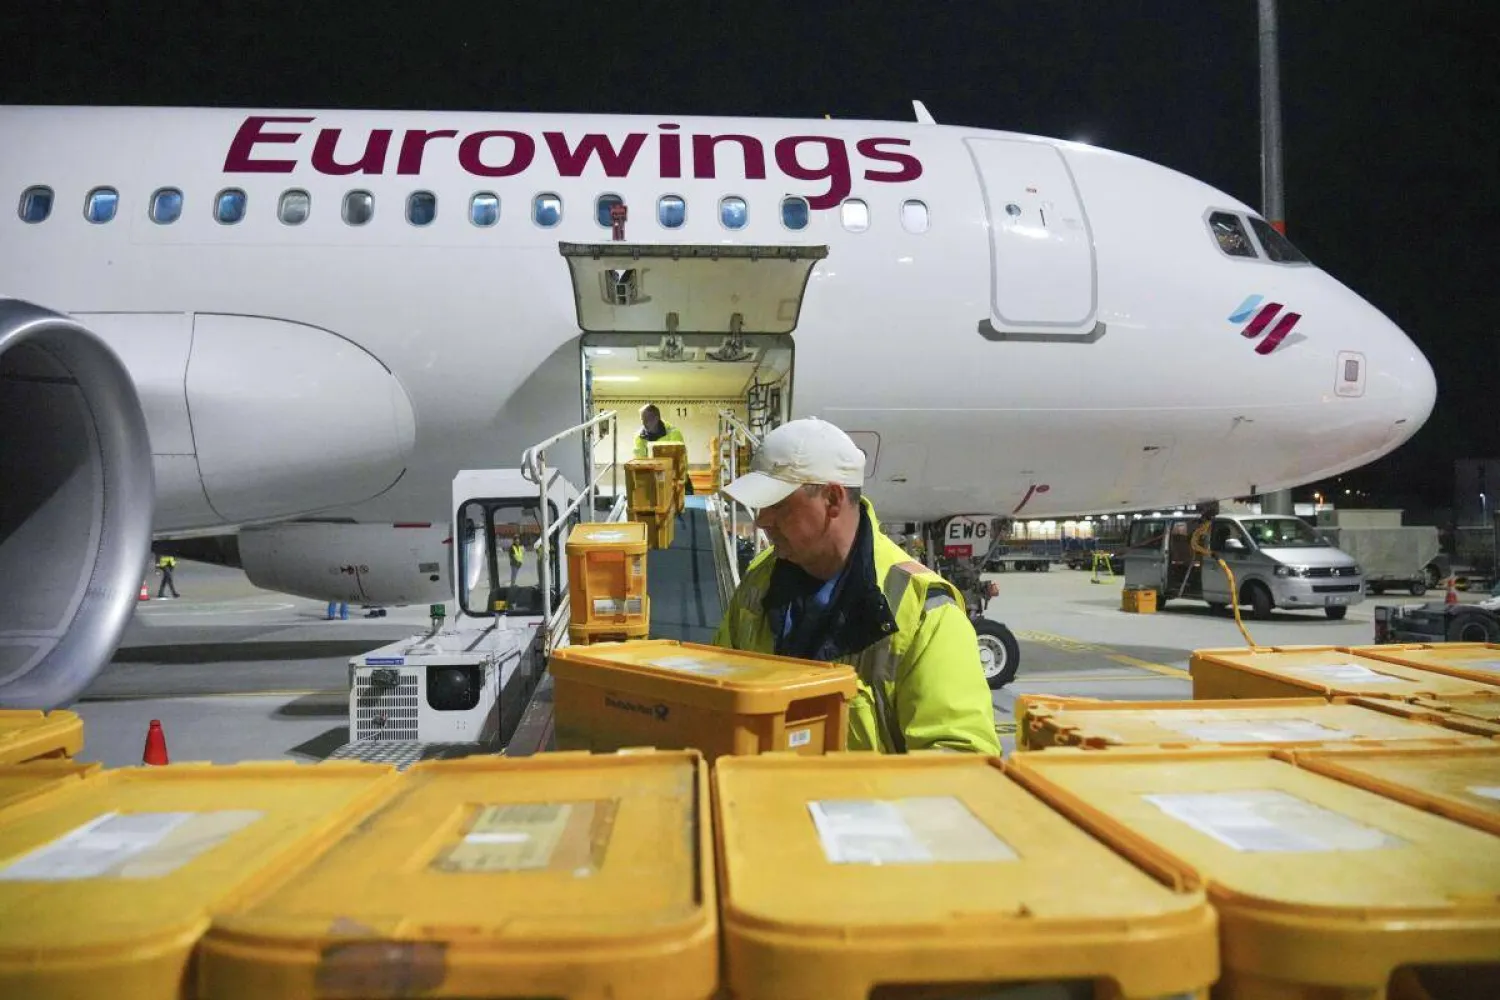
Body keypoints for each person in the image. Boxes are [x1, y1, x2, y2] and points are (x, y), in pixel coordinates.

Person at [712, 417, 1000, 755]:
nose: (761, 521)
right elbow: (719, 686)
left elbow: (961, 758)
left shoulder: (924, 609)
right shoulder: (761, 578)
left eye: (778, 505)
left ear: (833, 500)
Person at [634, 403, 694, 495]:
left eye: (647, 420)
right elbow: (639, 462)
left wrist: (677, 482)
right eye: (642, 419)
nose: (644, 423)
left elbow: (680, 462)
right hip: (654, 482)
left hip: (677, 481)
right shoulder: (640, 437)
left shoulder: (674, 433)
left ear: (657, 418)